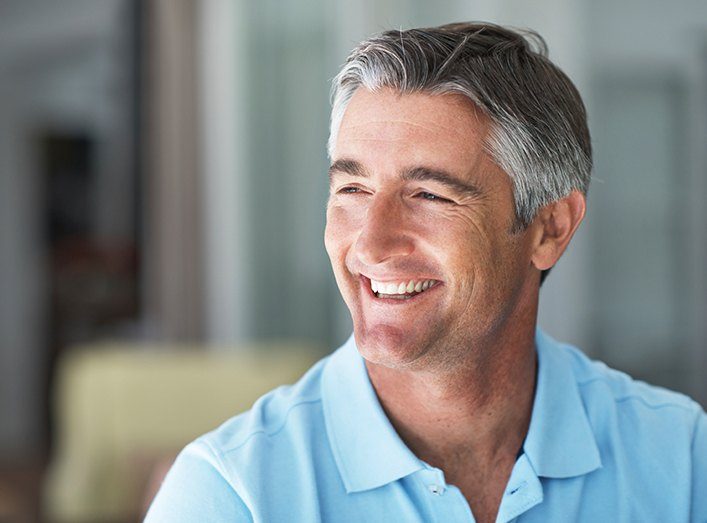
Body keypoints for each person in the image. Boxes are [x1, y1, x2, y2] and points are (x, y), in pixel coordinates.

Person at [145, 22, 707, 522]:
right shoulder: (231, 495)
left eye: (429, 194)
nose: (371, 243)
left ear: (549, 228)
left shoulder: (683, 460)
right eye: (353, 189)